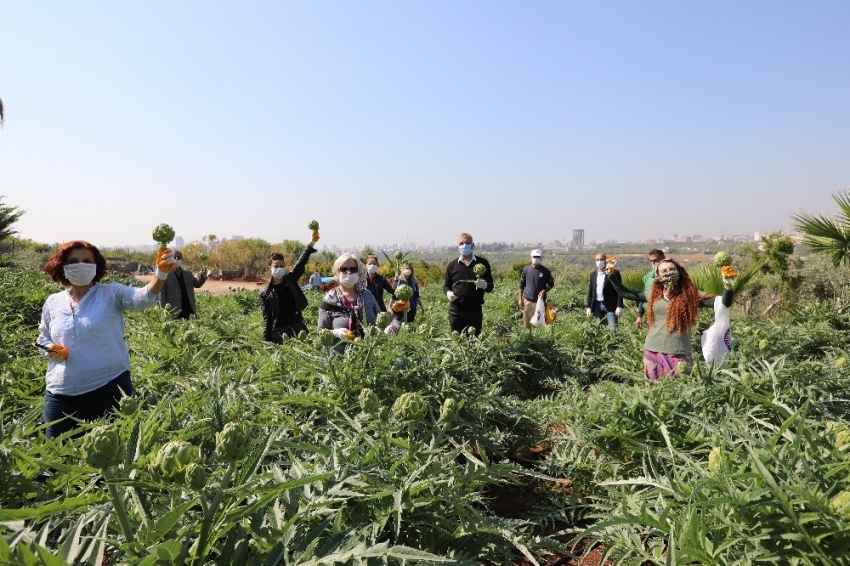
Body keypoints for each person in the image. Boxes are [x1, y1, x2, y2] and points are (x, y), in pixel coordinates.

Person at [37, 240, 175, 438]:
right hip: (60, 394)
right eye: (73, 261)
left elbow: (142, 298)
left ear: (96, 265)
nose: (81, 264)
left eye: (86, 260)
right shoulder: (53, 302)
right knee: (57, 458)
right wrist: (49, 348)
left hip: (109, 389)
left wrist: (160, 274)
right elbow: (42, 337)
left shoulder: (111, 293)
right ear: (62, 266)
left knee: (112, 459)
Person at [609, 258, 734, 380]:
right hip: (652, 348)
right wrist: (611, 275)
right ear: (657, 276)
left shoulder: (690, 295)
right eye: (664, 271)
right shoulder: (653, 294)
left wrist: (728, 284)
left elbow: (723, 303)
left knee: (680, 389)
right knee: (654, 391)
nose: (668, 272)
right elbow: (626, 293)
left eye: (672, 269)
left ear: (679, 272)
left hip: (678, 351)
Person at [260, 231, 319, 343]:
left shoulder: (290, 279)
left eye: (281, 266)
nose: (279, 268)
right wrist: (266, 342)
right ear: (269, 267)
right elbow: (267, 319)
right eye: (276, 266)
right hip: (279, 331)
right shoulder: (266, 293)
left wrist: (312, 242)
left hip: (297, 326)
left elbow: (300, 262)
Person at [318, 253, 381, 348]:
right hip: (339, 359)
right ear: (337, 272)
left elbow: (381, 320)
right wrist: (336, 333)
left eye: (353, 269)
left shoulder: (367, 295)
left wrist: (395, 313)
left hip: (369, 355)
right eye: (343, 269)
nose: (348, 272)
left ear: (358, 272)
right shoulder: (330, 299)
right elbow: (320, 332)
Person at [443, 233, 494, 335]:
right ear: (457, 246)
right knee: (458, 341)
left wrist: (485, 285)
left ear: (473, 245)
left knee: (474, 341)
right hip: (456, 311)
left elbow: (490, 286)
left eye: (467, 243)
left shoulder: (482, 263)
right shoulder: (452, 265)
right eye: (461, 243)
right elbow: (446, 285)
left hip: (474, 311)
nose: (464, 245)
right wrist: (448, 293)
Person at [159, 250, 208, 319]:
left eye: (178, 257)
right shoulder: (165, 275)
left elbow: (197, 284)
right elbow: (162, 295)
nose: (176, 259)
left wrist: (202, 276)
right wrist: (164, 310)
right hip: (174, 311)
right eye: (174, 257)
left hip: (189, 309)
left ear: (182, 259)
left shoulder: (188, 274)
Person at [585, 252, 624, 329]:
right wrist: (588, 307)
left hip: (610, 305)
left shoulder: (614, 273)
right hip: (597, 305)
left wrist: (619, 306)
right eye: (597, 260)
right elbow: (591, 291)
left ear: (606, 260)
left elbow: (619, 290)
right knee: (597, 328)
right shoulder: (593, 274)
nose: (599, 261)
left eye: (601, 259)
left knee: (613, 329)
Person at [518, 248, 555, 328]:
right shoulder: (526, 270)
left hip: (540, 302)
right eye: (534, 257)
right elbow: (521, 285)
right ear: (530, 257)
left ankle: (539, 340)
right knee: (527, 324)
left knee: (539, 324)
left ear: (540, 258)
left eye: (538, 257)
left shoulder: (545, 271)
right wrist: (520, 299)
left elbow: (551, 284)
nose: (536, 258)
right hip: (528, 302)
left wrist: (544, 291)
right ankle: (528, 339)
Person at [635, 249, 665, 329]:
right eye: (651, 261)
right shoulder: (648, 277)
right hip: (650, 316)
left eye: (655, 260)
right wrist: (639, 316)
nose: (653, 263)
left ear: (663, 259)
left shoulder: (671, 276)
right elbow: (643, 297)